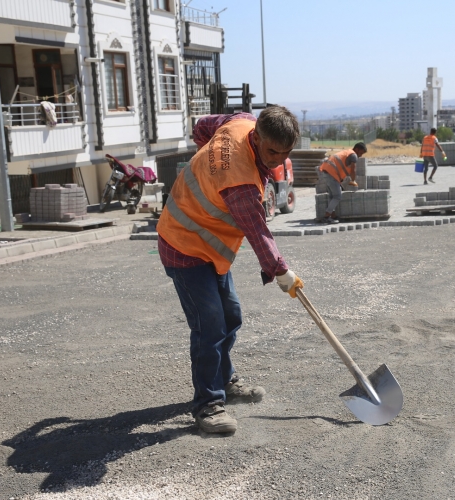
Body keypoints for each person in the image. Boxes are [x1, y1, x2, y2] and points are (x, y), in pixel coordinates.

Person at [157, 107, 305, 435]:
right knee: (210, 326)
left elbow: (201, 127)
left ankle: (225, 380)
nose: (278, 161)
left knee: (231, 316)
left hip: (210, 248)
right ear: (256, 137)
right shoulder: (239, 182)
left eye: (286, 153)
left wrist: (207, 164)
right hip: (183, 244)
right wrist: (281, 272)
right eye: (272, 152)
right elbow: (258, 233)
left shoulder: (240, 120)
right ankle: (208, 404)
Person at [317, 142, 367, 224]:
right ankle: (326, 217)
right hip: (331, 174)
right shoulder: (353, 155)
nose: (361, 155)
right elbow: (353, 170)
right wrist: (353, 180)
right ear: (357, 149)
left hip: (327, 172)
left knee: (332, 196)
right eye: (361, 153)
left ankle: (333, 216)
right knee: (337, 196)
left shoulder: (347, 152)